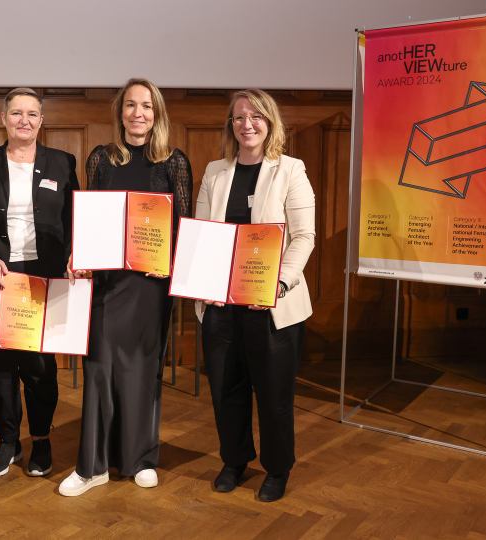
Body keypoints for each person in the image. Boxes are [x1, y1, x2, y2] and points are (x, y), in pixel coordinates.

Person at [60, 78, 193, 497]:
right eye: (131, 105)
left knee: (142, 368)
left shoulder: (174, 162)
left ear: (158, 114)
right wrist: (76, 257)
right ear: (120, 112)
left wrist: (171, 262)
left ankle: (140, 460)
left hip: (150, 285)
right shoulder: (100, 158)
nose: (139, 113)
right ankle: (92, 466)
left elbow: (184, 227)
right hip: (105, 282)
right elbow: (90, 218)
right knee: (99, 368)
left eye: (147, 107)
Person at [195, 89, 315, 501]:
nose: (247, 124)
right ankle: (234, 460)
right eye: (239, 117)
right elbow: (204, 236)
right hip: (221, 305)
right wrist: (203, 281)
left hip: (272, 306)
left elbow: (303, 237)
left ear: (270, 122)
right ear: (231, 125)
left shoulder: (290, 170)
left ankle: (277, 468)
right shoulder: (215, 171)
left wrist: (279, 282)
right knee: (226, 390)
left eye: (255, 116)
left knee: (273, 393)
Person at [0, 88, 78, 478]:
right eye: (17, 113)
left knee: (38, 366)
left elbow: (74, 220)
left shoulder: (63, 163)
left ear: (42, 121)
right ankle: (8, 441)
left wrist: (72, 258)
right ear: (3, 119)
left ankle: (42, 441)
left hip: (42, 277)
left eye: (32, 114)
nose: (24, 121)